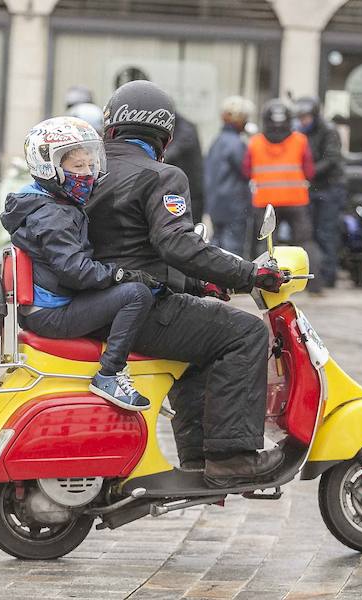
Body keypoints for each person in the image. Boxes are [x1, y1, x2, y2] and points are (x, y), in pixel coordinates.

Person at [87, 80, 286, 487]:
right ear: (164, 134)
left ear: (111, 126)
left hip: (96, 306)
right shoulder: (162, 175)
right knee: (245, 332)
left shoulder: (88, 169)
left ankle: (198, 457)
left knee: (204, 337)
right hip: (139, 310)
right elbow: (175, 244)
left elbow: (130, 248)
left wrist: (198, 285)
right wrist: (249, 274)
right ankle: (231, 458)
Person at [0, 116, 160, 411]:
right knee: (136, 294)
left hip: (47, 306)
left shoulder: (46, 202)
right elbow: (75, 271)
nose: (87, 174)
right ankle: (109, 375)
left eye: (90, 165)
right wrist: (122, 275)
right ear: (48, 166)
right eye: (77, 167)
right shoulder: (54, 215)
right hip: (51, 314)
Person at [243, 99, 324, 294]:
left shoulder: (255, 142)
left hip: (265, 202)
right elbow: (310, 171)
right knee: (305, 243)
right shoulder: (300, 140)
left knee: (266, 245)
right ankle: (314, 286)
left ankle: (265, 284)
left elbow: (246, 170)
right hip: (296, 200)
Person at [295, 96, 345, 288]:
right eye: (300, 117)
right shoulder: (300, 132)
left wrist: (309, 172)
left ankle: (328, 276)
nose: (303, 121)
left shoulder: (329, 131)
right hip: (312, 187)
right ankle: (314, 275)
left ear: (314, 115)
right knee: (311, 233)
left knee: (326, 232)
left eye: (306, 117)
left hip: (330, 187)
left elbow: (332, 158)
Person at [204, 95, 254, 256]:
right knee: (233, 250)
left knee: (216, 246)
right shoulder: (237, 143)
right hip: (234, 205)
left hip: (216, 204)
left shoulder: (217, 141)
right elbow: (247, 171)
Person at [164, 112, 205, 224]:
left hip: (192, 190)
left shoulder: (185, 129)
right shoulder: (181, 126)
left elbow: (172, 152)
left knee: (189, 226)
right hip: (183, 187)